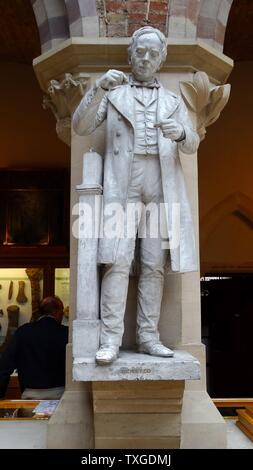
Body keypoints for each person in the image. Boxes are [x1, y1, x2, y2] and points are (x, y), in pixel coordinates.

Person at [73, 26, 200, 365]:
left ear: (162, 59)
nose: (145, 58)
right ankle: (111, 339)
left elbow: (193, 143)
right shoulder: (114, 92)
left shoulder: (173, 100)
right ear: (130, 55)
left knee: (154, 265)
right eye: (140, 52)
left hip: (160, 184)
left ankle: (148, 337)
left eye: (152, 53)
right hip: (123, 184)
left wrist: (182, 131)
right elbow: (81, 126)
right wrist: (98, 88)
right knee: (117, 261)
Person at [0, 296, 68, 399]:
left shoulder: (23, 332)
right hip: (60, 394)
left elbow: (5, 366)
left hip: (30, 394)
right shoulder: (66, 333)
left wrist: (1, 395)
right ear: (57, 312)